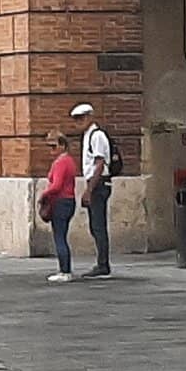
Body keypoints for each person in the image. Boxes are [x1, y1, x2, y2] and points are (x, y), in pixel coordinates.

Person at [72, 103, 112, 278]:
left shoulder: (97, 136)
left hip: (99, 183)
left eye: (81, 118)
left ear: (90, 117)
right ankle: (101, 262)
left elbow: (99, 163)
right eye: (76, 120)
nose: (78, 123)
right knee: (95, 226)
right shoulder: (88, 136)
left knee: (98, 225)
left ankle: (103, 264)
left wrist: (89, 189)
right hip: (95, 183)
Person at [40, 130, 77, 282]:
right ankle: (65, 269)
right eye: (49, 147)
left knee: (59, 236)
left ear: (62, 145)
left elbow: (56, 185)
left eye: (54, 147)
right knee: (62, 235)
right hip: (69, 201)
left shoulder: (61, 162)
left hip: (61, 202)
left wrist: (44, 195)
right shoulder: (69, 161)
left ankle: (65, 270)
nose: (51, 151)